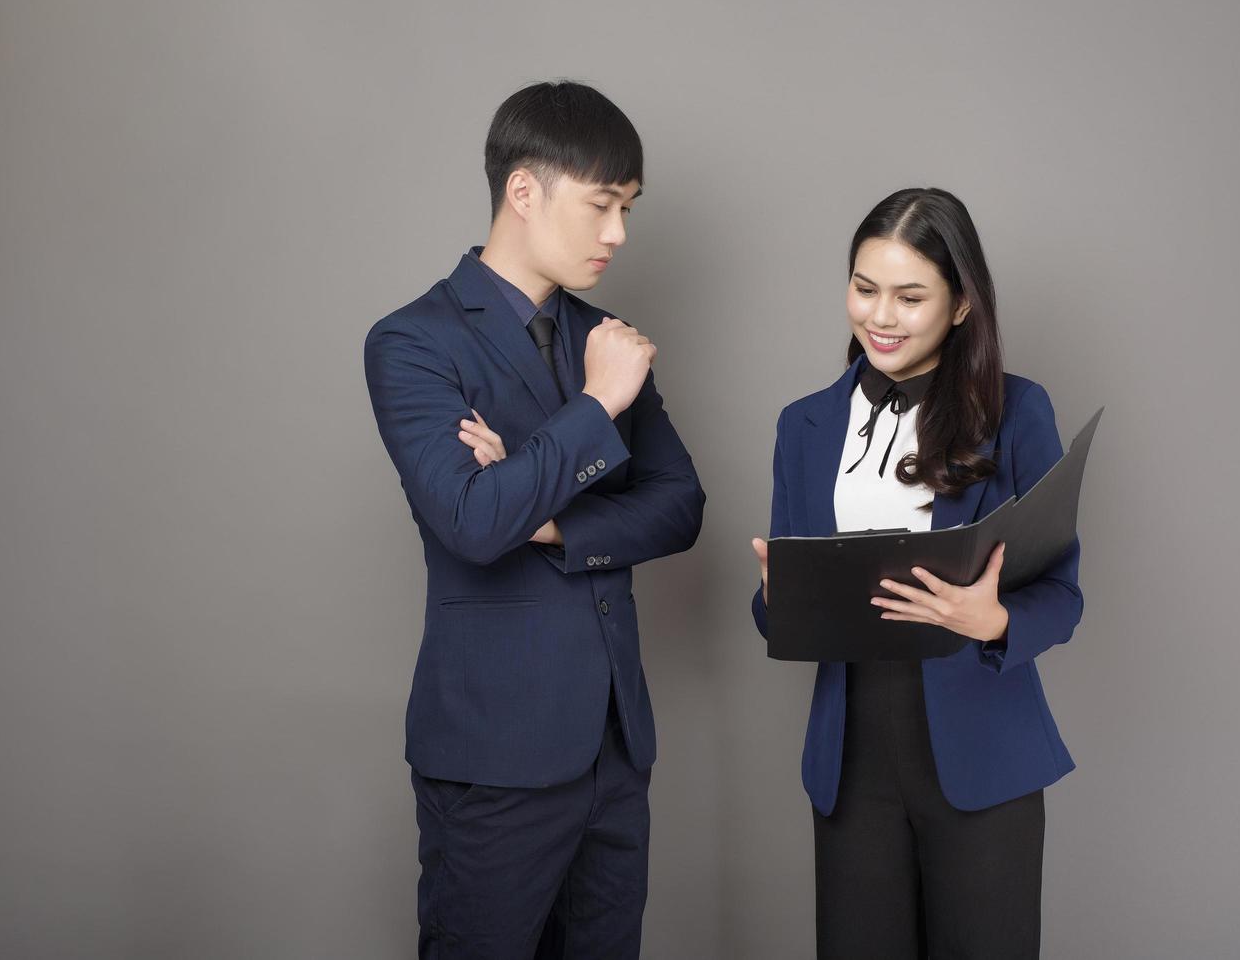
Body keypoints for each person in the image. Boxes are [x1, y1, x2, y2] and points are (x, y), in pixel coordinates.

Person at [364, 81, 706, 959]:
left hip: (614, 750)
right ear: (524, 191)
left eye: (627, 208)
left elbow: (679, 506)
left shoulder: (610, 335)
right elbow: (473, 524)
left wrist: (551, 521)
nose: (619, 234)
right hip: (492, 758)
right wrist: (598, 403)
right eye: (602, 206)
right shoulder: (414, 341)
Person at [749, 187, 1082, 958]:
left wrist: (990, 620)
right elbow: (777, 618)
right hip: (851, 758)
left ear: (962, 304)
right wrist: (778, 596)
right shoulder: (804, 425)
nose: (881, 317)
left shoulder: (1018, 413)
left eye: (910, 296)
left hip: (983, 750)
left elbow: (1063, 595)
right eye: (864, 290)